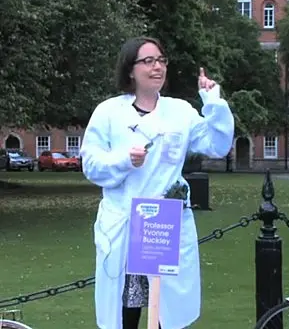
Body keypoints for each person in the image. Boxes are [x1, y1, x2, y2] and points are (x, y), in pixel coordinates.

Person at [79, 36, 235, 329]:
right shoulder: (109, 112)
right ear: (130, 69)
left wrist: (213, 102)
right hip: (125, 226)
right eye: (148, 61)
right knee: (126, 311)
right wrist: (124, 160)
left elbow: (217, 144)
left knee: (166, 311)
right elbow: (91, 164)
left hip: (162, 227)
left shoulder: (180, 112)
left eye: (161, 60)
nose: (157, 67)